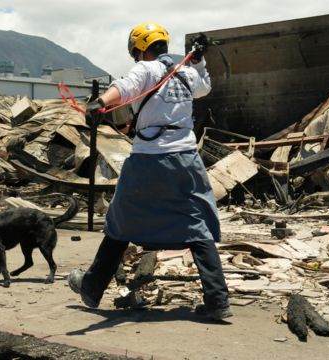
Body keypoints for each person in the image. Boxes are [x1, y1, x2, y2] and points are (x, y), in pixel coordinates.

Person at [68, 23, 232, 321]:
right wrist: (200, 61)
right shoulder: (187, 73)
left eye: (136, 53)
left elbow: (126, 86)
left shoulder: (147, 69)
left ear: (140, 49)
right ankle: (217, 299)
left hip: (148, 159)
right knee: (197, 224)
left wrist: (99, 103)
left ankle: (91, 288)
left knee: (120, 222)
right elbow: (205, 87)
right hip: (186, 159)